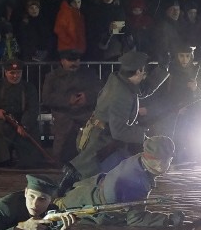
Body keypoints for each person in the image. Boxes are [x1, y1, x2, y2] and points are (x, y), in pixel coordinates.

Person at [61, 50, 164, 190]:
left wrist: (163, 70)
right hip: (103, 144)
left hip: (103, 139)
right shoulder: (121, 94)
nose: (146, 74)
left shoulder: (118, 79)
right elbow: (119, 131)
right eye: (145, 70)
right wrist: (143, 135)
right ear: (139, 71)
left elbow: (142, 89)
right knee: (88, 181)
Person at [55, 135, 184, 227]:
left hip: (85, 191)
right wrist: (168, 220)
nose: (169, 164)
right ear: (158, 163)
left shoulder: (139, 161)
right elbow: (135, 220)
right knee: (54, 216)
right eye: (168, 160)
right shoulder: (136, 182)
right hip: (85, 205)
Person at [0, 60, 43, 169]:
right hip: (1, 121)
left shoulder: (29, 87)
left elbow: (33, 108)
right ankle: (0, 159)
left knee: (31, 160)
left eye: (18, 73)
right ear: (5, 72)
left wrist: (24, 125)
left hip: (22, 121)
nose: (15, 76)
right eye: (12, 73)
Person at [40, 50, 102, 164]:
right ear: (62, 61)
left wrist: (86, 97)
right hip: (64, 116)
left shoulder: (89, 74)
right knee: (61, 149)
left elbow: (99, 91)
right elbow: (47, 98)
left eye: (76, 60)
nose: (74, 63)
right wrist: (68, 100)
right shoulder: (52, 77)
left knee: (88, 144)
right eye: (70, 60)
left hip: (85, 115)